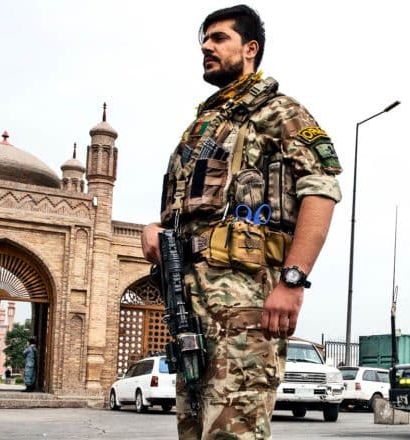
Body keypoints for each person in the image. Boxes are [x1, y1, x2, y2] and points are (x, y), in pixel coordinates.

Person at [140, 5, 341, 439]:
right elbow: (189, 208)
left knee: (234, 432)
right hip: (191, 304)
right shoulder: (202, 127)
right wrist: (156, 230)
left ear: (250, 49)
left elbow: (321, 191)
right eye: (204, 40)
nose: (205, 47)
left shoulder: (281, 113)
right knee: (194, 431)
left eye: (218, 39)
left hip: (247, 303)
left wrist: (292, 280)